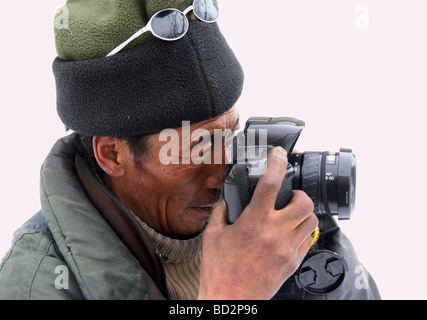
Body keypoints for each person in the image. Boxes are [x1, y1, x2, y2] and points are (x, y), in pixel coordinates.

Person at [0, 0, 380, 300]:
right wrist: (230, 295)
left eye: (228, 134)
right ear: (112, 155)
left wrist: (313, 250)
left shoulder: (255, 215)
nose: (222, 172)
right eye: (197, 147)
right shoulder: (38, 281)